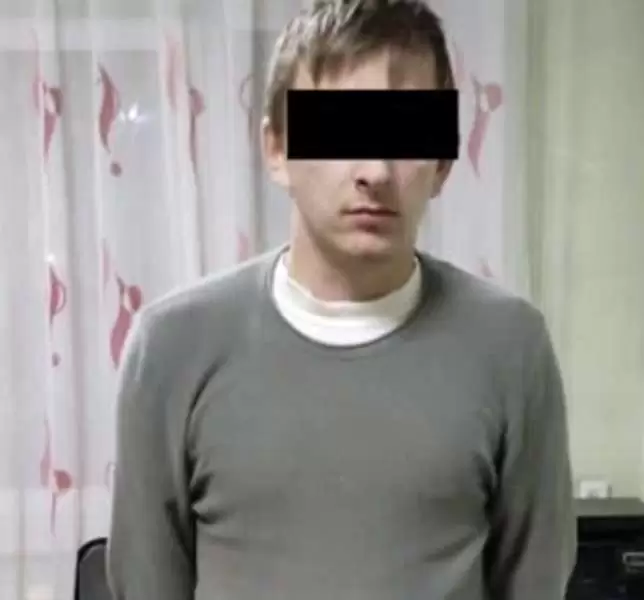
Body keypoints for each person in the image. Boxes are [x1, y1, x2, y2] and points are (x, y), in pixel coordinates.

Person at [106, 1, 577, 598]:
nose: (375, 170)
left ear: (443, 162)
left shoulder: (511, 346)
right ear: (277, 148)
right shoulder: (172, 348)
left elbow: (533, 580)